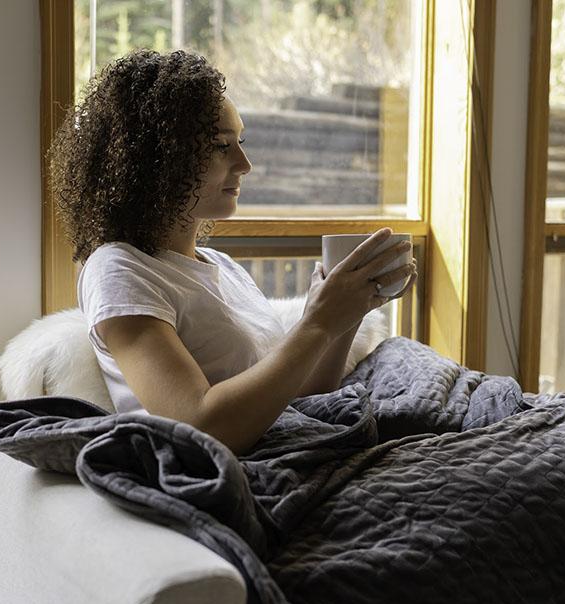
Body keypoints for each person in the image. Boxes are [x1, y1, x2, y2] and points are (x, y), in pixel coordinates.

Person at [50, 49, 416, 455]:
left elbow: (299, 396)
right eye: (221, 145)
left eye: (239, 141)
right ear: (159, 157)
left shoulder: (221, 267)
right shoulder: (119, 270)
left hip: (290, 446)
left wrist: (346, 312)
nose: (244, 163)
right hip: (240, 470)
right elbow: (200, 425)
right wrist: (318, 323)